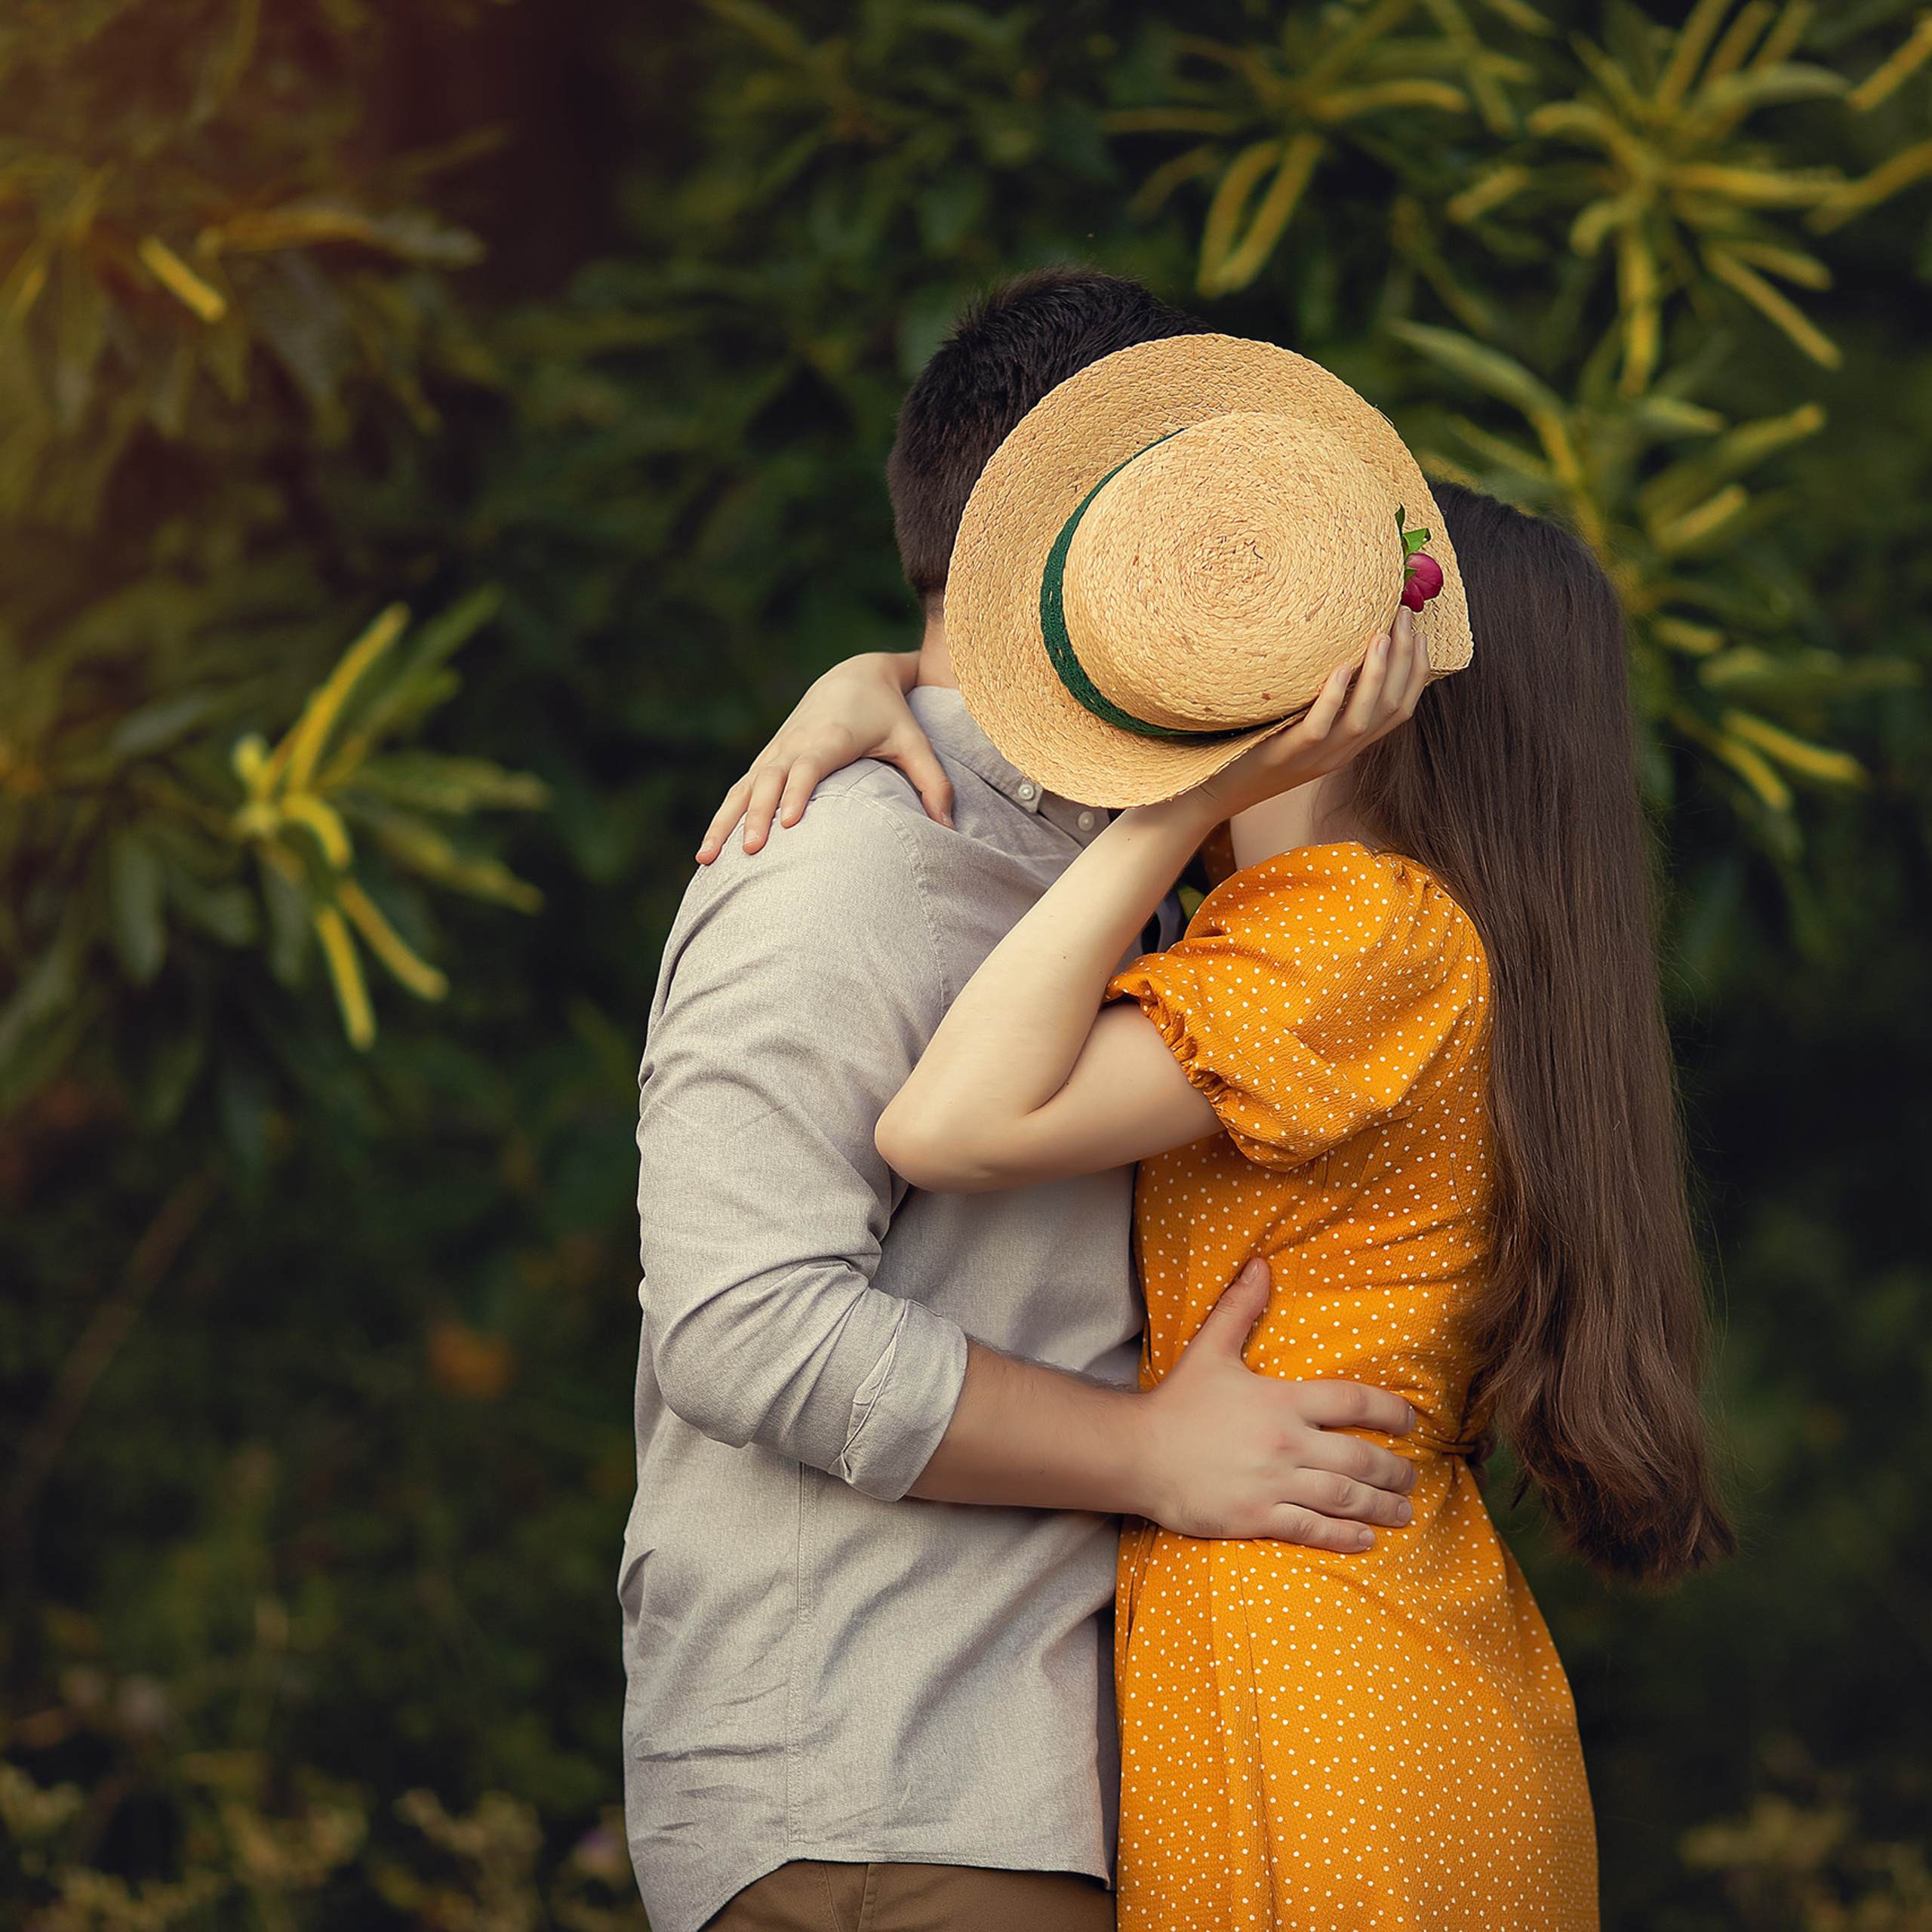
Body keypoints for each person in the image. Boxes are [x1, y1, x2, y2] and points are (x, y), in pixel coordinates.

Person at [728, 332, 1734, 1928]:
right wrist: (888, 677)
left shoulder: (1359, 931)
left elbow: (953, 1118)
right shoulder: (1364, 938)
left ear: (1378, 699)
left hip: (1314, 1683)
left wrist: (1184, 796)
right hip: (1355, 1658)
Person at [623, 272, 1426, 1932]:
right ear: (1074, 545)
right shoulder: (844, 870)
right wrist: (1147, 1453)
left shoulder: (1107, 861)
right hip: (884, 1785)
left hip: (1014, 1780)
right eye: (1202, 520)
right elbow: (739, 1322)